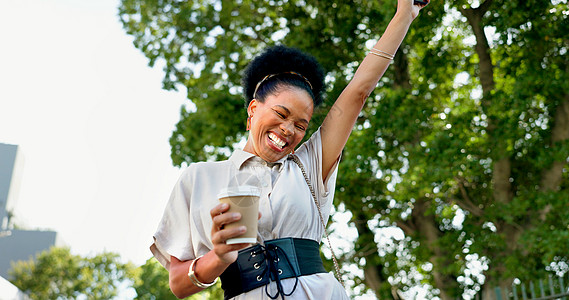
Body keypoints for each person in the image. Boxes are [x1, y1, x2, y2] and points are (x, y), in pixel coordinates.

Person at [150, 0, 428, 299]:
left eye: (300, 125)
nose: (289, 130)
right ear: (254, 109)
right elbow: (179, 284)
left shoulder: (309, 163)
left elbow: (359, 91)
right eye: (281, 115)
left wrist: (404, 14)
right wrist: (218, 257)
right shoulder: (199, 178)